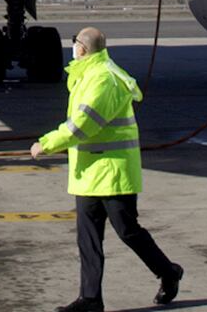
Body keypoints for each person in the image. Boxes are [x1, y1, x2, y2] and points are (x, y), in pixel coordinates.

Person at [31, 27, 183, 312]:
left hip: (113, 172)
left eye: (74, 44)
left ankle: (169, 272)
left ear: (83, 49)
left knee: (128, 231)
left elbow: (82, 125)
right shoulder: (87, 73)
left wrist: (46, 144)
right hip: (89, 172)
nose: (72, 49)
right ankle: (90, 299)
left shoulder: (104, 79)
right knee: (88, 238)